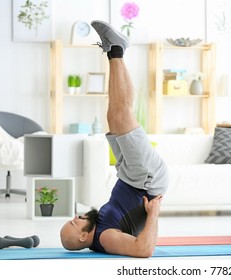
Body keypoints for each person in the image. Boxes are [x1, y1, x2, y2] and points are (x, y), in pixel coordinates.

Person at [60, 20, 169, 257]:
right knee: (121, 115)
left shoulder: (101, 227)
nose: (75, 218)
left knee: (115, 115)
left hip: (130, 176)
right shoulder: (106, 237)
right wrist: (154, 213)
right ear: (82, 236)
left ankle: (114, 50)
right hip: (145, 181)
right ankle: (116, 49)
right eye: (73, 223)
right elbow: (144, 250)